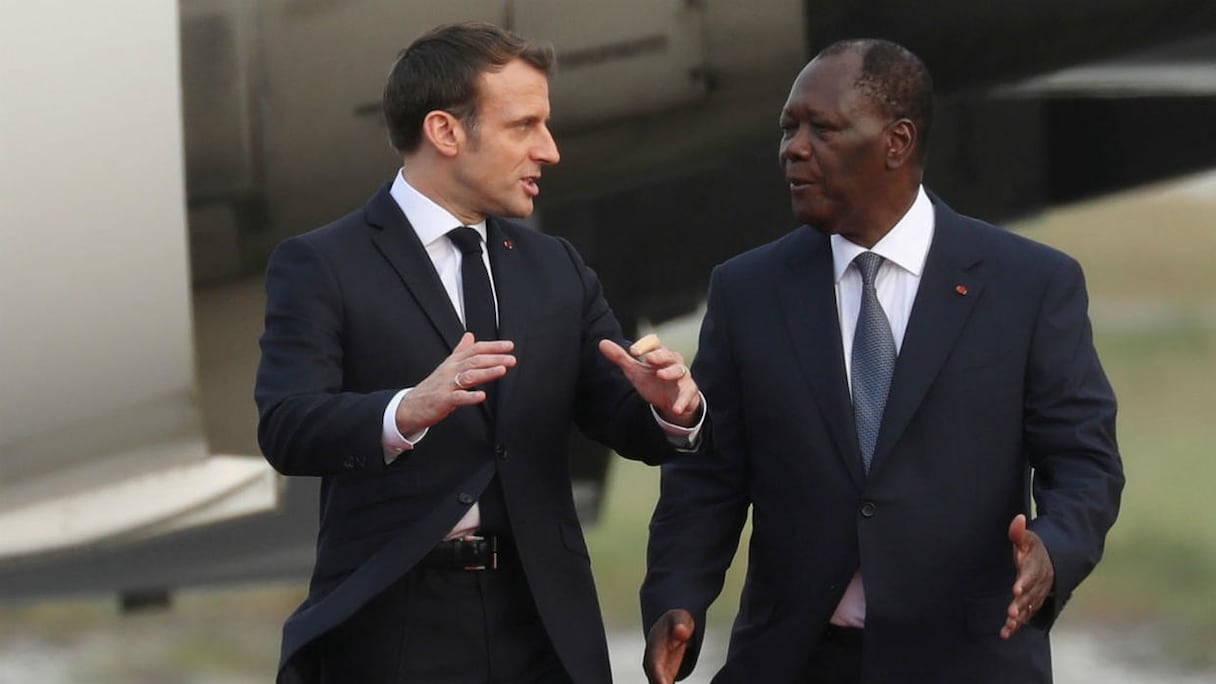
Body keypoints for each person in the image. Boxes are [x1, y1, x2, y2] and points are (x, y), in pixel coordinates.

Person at [639, 38, 1123, 684]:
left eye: (823, 128)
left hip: (966, 662)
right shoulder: (747, 290)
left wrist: (1053, 548)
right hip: (795, 662)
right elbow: (708, 478)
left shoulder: (1028, 285)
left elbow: (1085, 462)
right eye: (789, 128)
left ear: (896, 142)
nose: (794, 149)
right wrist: (677, 597)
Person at [255, 21, 705, 684]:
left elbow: (624, 419)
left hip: (544, 624)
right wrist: (407, 409)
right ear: (445, 131)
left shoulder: (556, 268)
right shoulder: (323, 263)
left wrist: (674, 408)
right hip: (395, 622)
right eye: (524, 126)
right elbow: (287, 426)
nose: (548, 151)